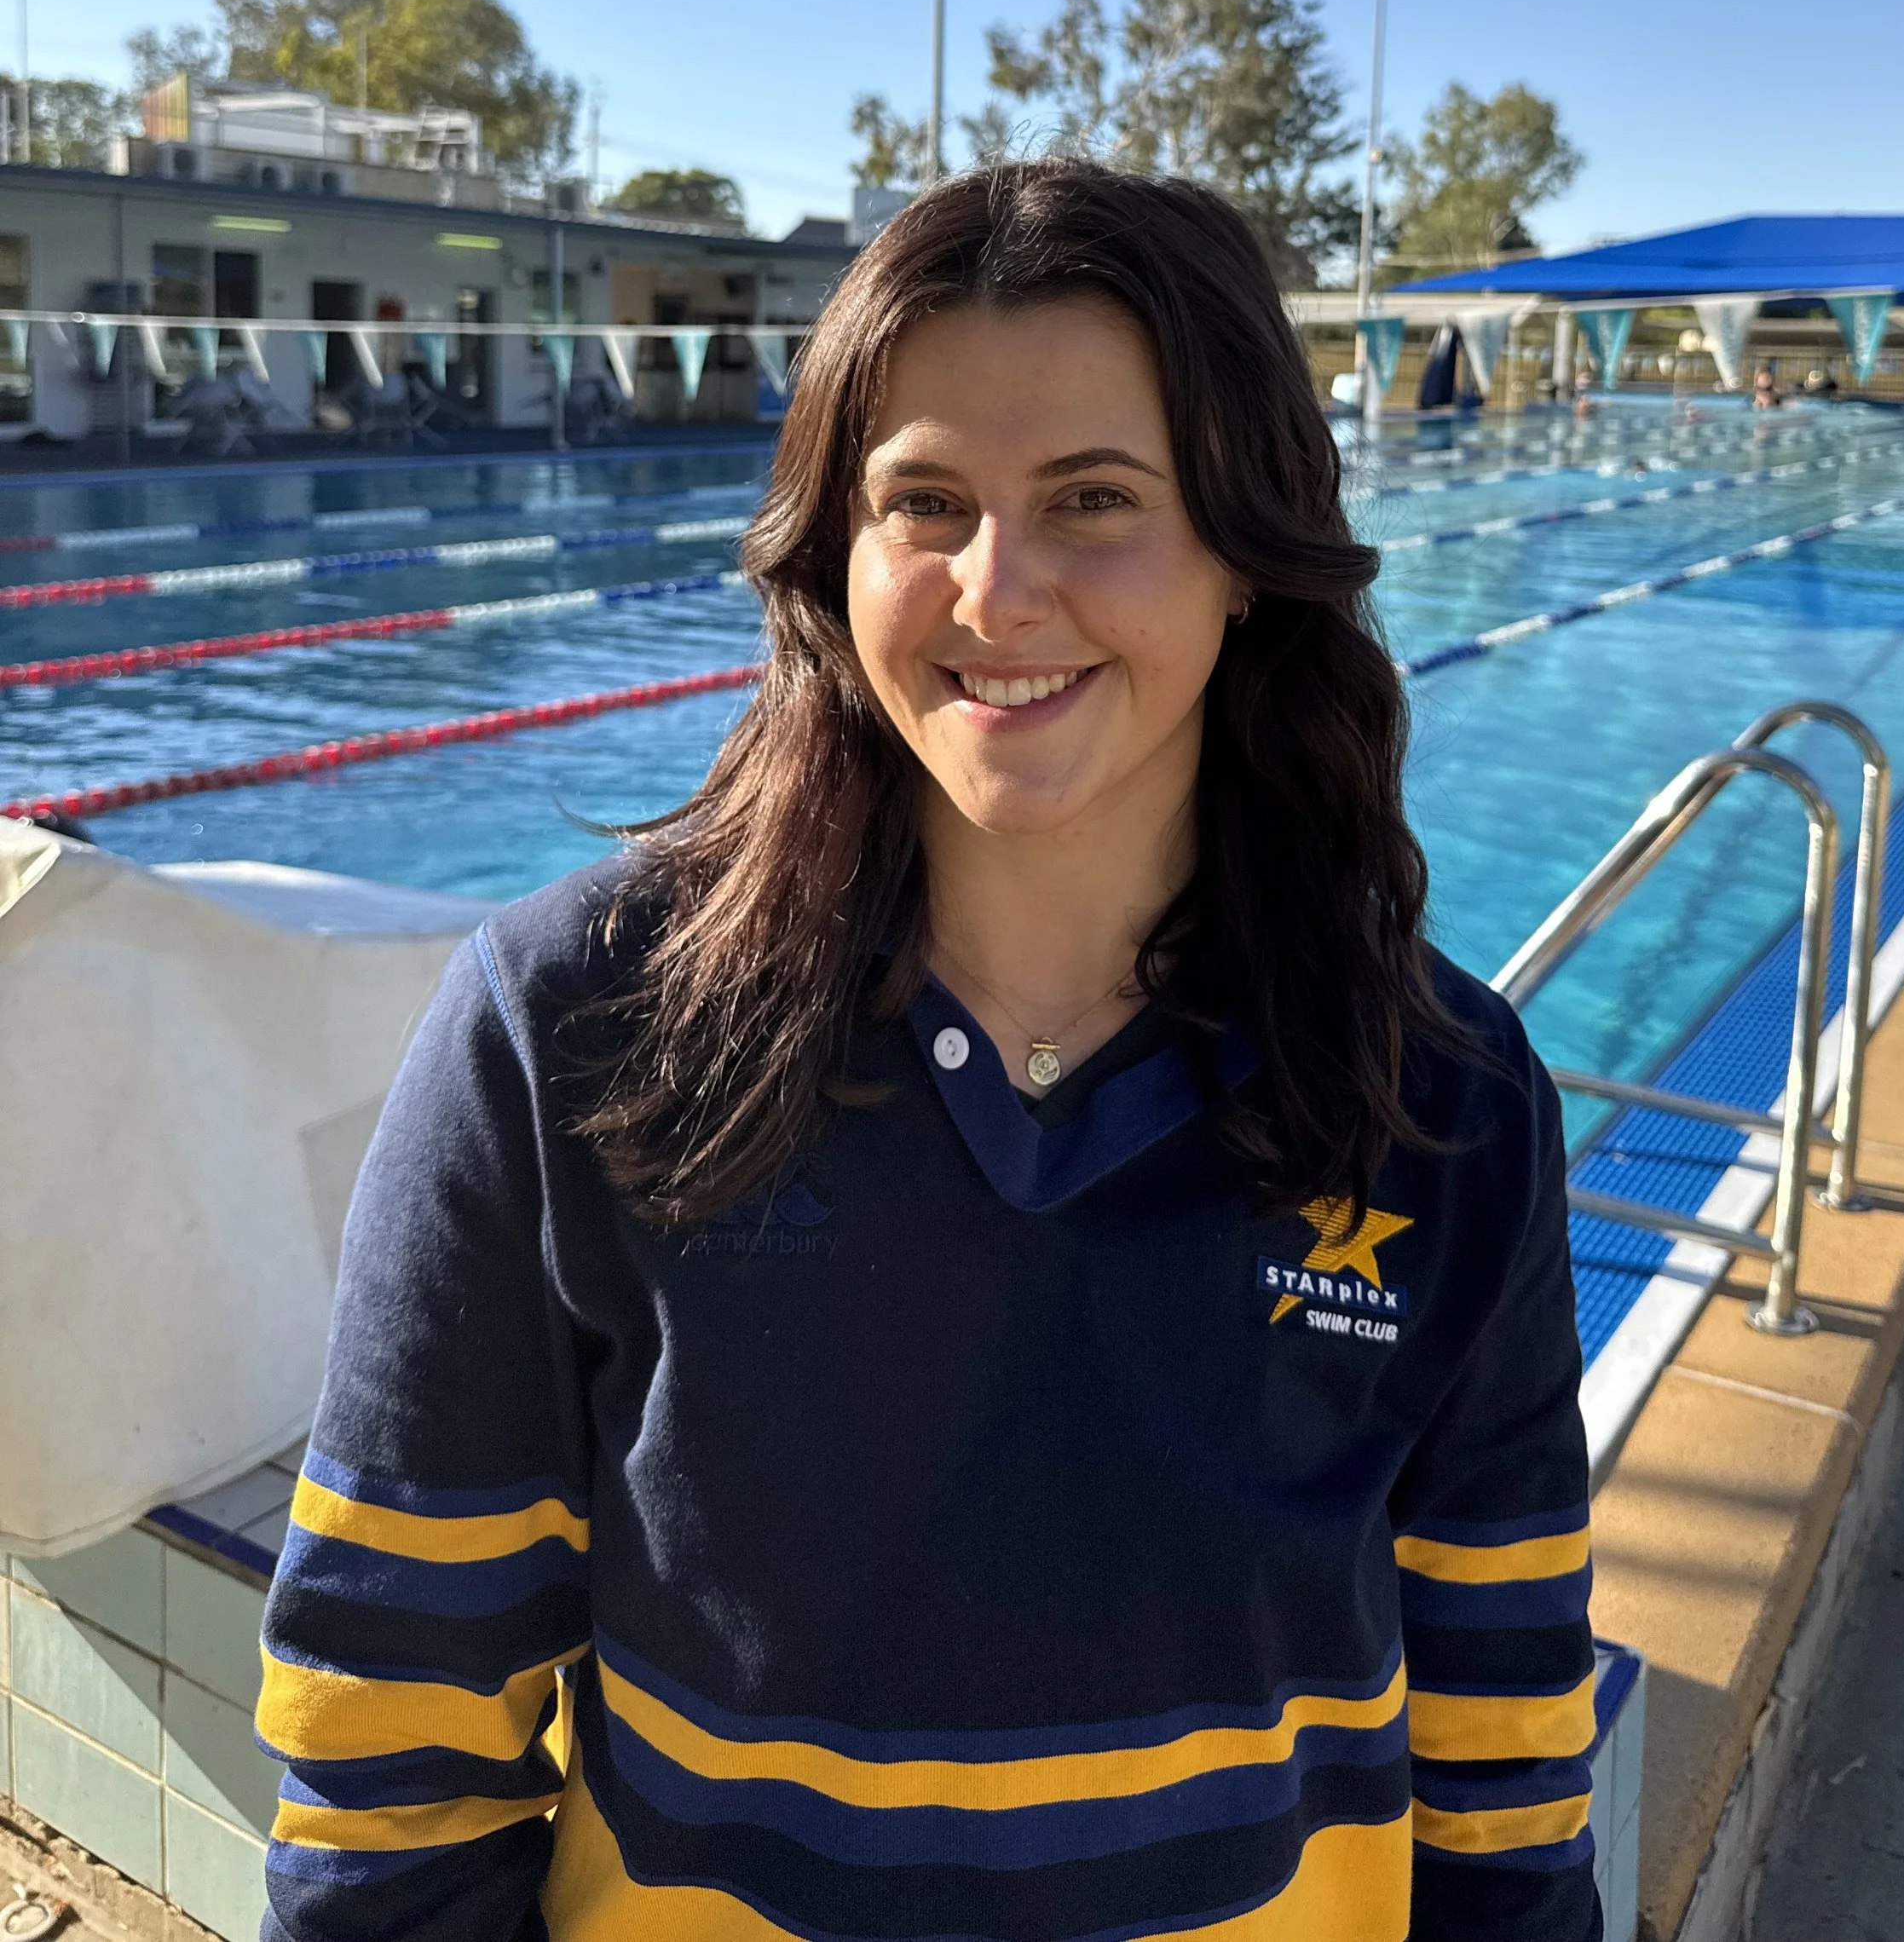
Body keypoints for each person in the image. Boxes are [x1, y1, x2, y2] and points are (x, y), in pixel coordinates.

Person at [255, 161, 1599, 1942]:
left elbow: (1501, 1753)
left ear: (1245, 558)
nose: (997, 589)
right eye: (927, 503)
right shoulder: (565, 1032)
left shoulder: (1432, 1093)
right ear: (836, 551)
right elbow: (391, 1739)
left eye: (1094, 499)